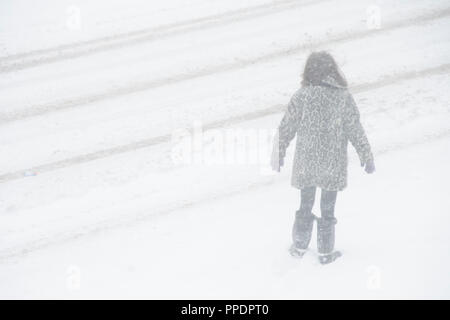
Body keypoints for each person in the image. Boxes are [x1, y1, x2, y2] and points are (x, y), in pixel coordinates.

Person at [271, 51, 375, 265]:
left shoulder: (302, 96)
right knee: (328, 209)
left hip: (307, 161)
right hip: (332, 163)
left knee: (305, 204)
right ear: (333, 71)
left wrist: (279, 151)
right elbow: (355, 128)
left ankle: (299, 247)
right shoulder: (342, 97)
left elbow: (286, 127)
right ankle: (325, 253)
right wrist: (365, 153)